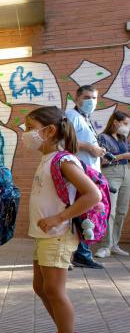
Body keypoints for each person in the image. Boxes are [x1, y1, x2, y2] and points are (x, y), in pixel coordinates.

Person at [24, 106, 101, 333]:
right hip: (44, 235)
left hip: (57, 235)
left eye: (30, 128)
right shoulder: (47, 159)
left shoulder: (63, 160)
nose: (26, 134)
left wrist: (59, 218)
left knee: (54, 290)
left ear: (49, 131)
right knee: (41, 287)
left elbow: (93, 195)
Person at [65, 85, 105, 269]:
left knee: (85, 214)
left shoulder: (85, 118)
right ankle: (78, 254)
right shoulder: (72, 116)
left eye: (94, 98)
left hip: (89, 173)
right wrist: (90, 148)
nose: (91, 101)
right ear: (76, 98)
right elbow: (65, 140)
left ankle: (82, 253)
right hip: (79, 173)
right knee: (81, 213)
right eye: (87, 97)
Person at [95, 111, 130, 258]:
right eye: (125, 124)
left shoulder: (123, 139)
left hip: (126, 172)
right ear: (115, 122)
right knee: (111, 211)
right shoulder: (103, 137)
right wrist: (122, 156)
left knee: (122, 211)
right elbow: (101, 160)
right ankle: (105, 246)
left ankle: (114, 244)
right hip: (111, 173)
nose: (127, 127)